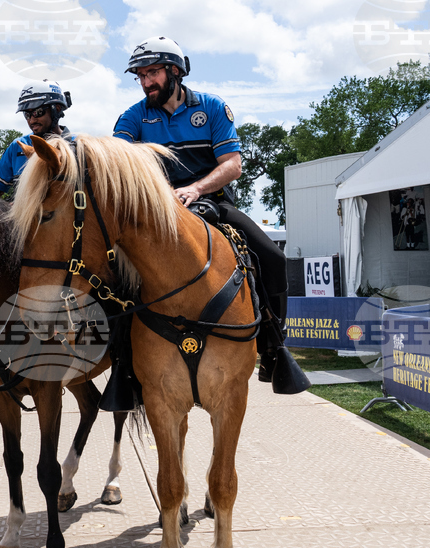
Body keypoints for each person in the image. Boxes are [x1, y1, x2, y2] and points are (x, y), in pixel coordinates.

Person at [113, 36, 307, 394]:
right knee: (113, 273)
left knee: (274, 259)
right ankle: (122, 370)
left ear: (175, 72)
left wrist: (196, 189)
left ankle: (274, 349)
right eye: (139, 75)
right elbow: (119, 163)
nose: (145, 82)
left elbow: (233, 165)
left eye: (152, 72)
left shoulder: (213, 108)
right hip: (157, 213)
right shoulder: (132, 117)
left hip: (213, 203)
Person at [0, 80, 74, 196]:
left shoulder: (78, 146)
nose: (31, 120)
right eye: (27, 114)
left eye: (38, 112)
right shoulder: (18, 146)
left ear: (56, 109)